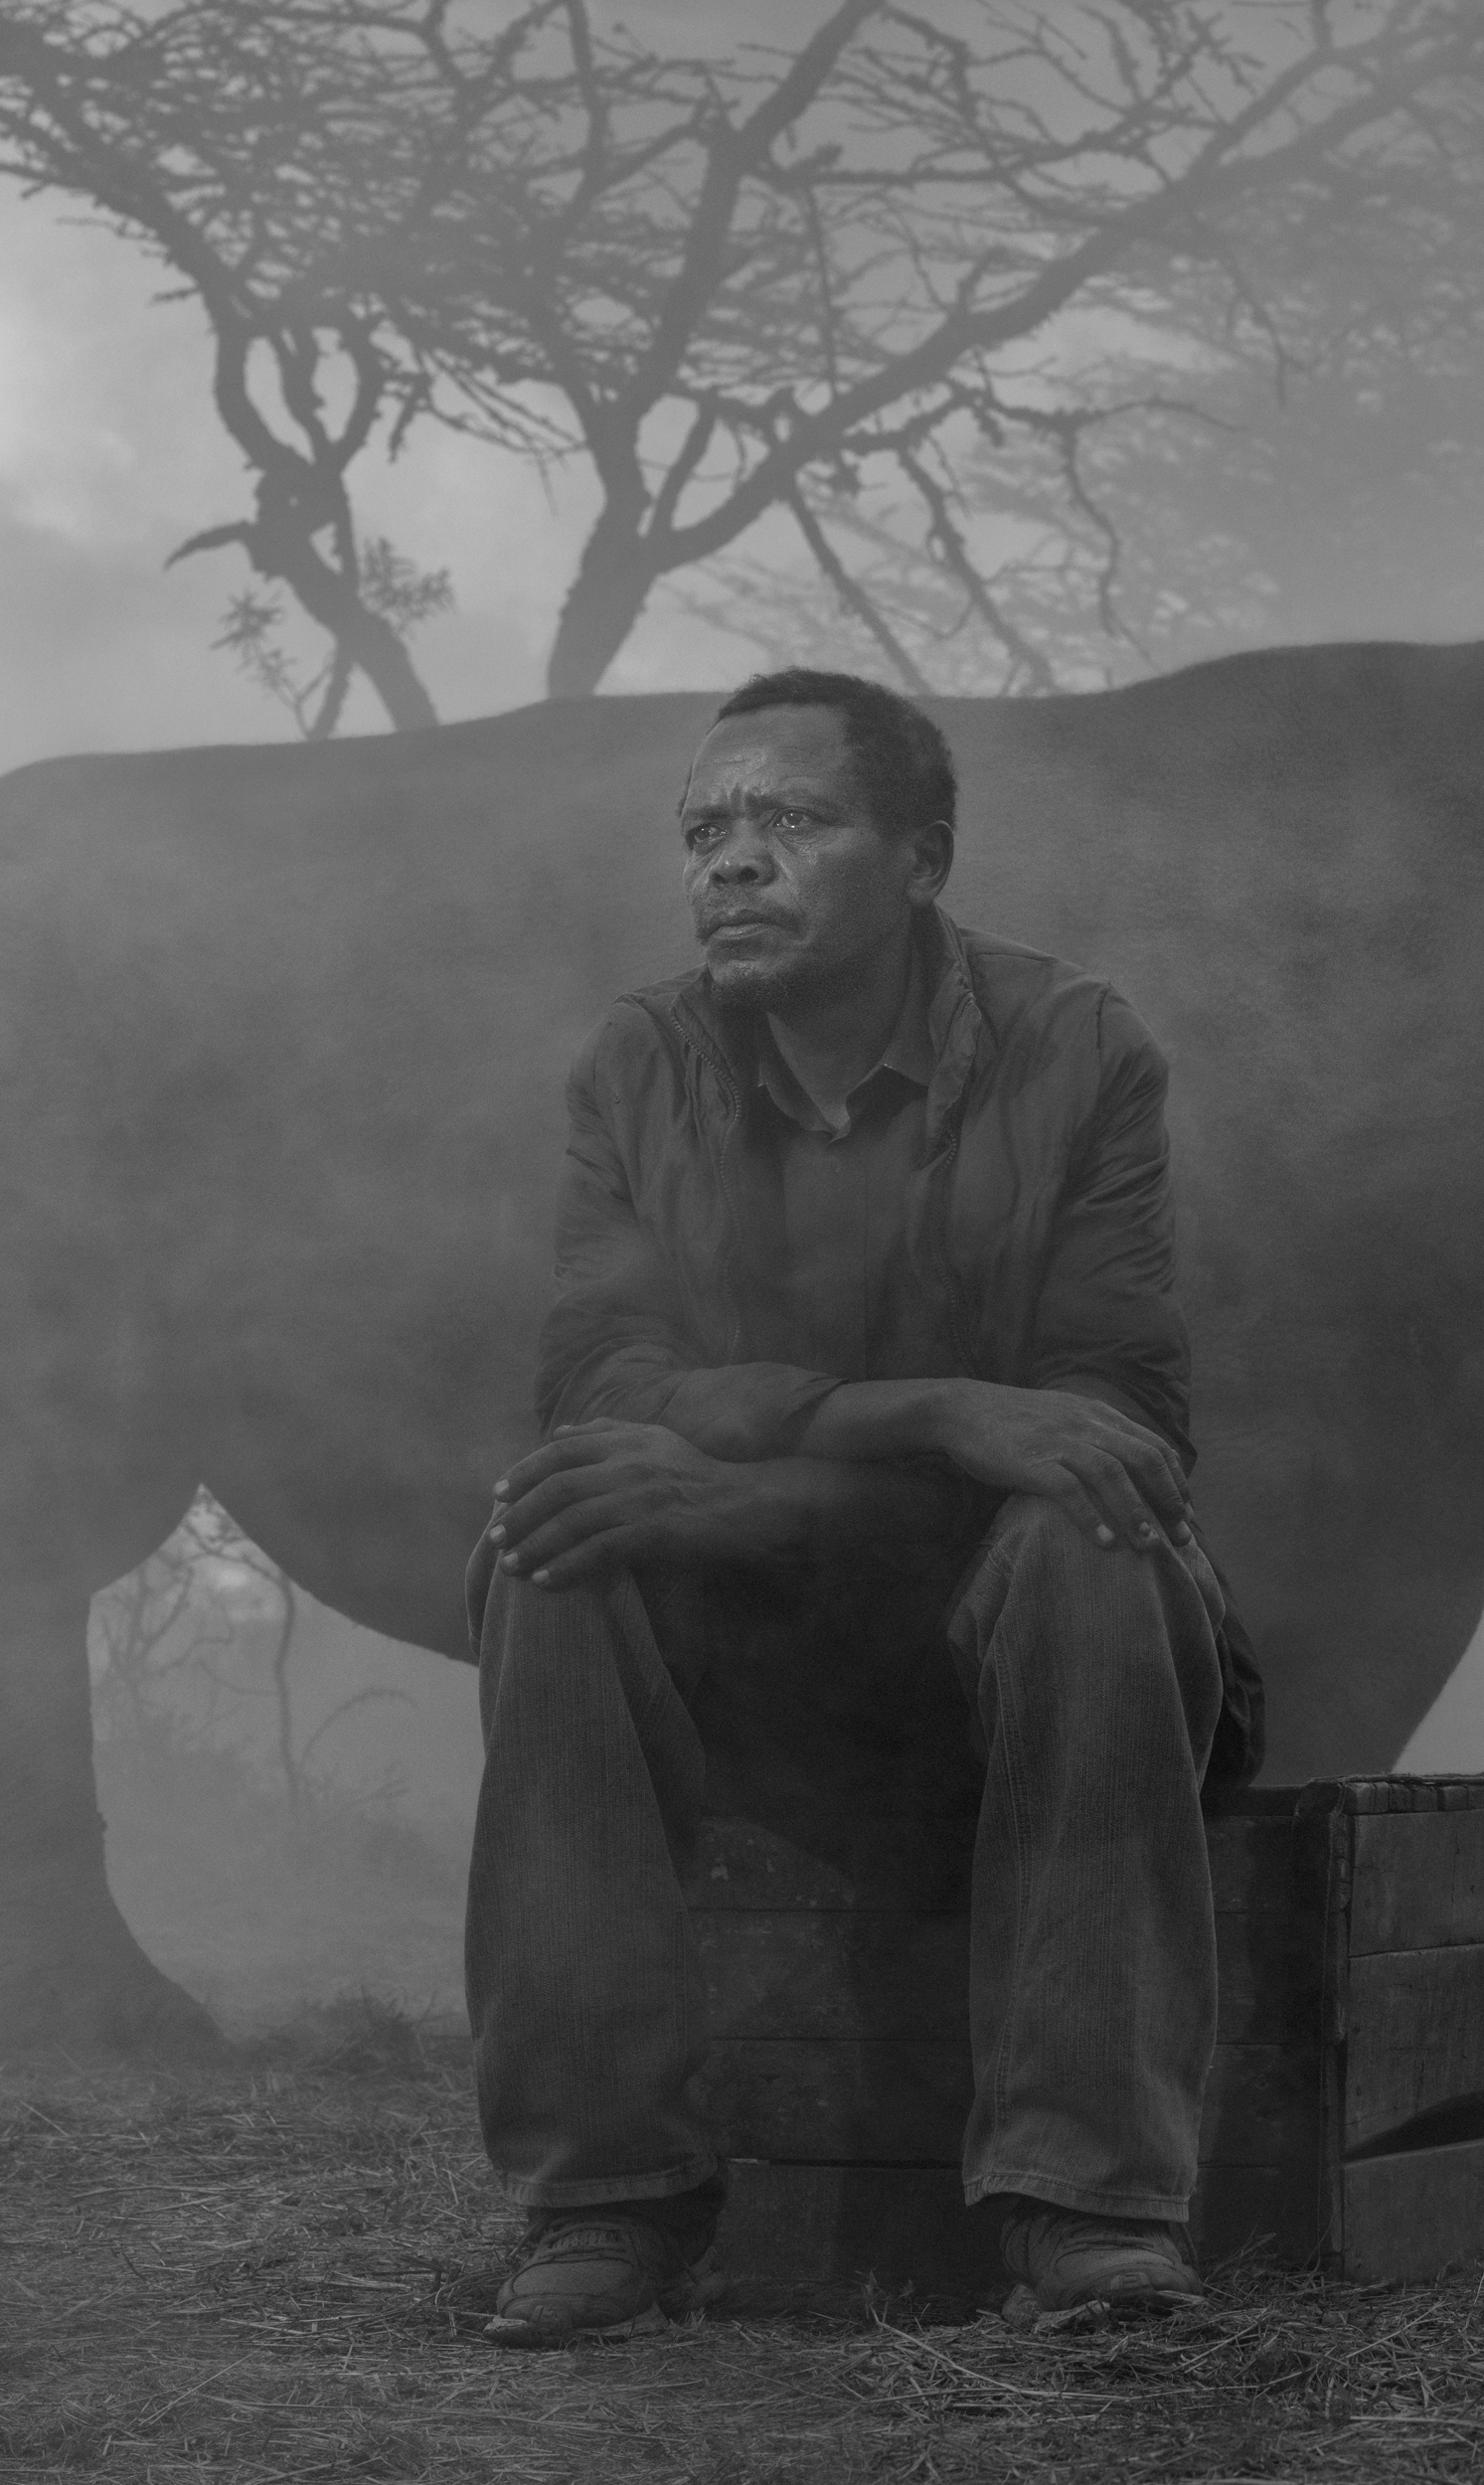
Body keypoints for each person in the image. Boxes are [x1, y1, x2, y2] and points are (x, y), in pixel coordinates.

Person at [466, 668, 1257, 2345]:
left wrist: (765, 1483)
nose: (729, 865)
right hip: (765, 1673)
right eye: (705, 831)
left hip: (1012, 1660)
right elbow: (602, 1382)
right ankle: (606, 2204)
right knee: (552, 1548)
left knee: (1092, 1539)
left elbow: (1118, 1420)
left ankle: (1088, 2208)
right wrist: (933, 1414)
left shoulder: (1075, 1046)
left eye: (791, 821)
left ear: (922, 858)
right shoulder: (637, 1060)